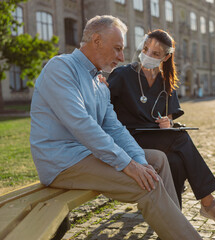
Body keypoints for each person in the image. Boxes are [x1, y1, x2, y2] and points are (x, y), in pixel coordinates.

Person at [30, 15, 202, 240]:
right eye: (118, 49)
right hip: (62, 163)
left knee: (156, 161)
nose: (122, 57)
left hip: (86, 155)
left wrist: (139, 161)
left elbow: (115, 128)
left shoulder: (99, 83)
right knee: (147, 184)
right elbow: (82, 125)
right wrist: (128, 165)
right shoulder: (61, 68)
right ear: (97, 41)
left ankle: (171, 231)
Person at [107, 29, 215, 227]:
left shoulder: (166, 82)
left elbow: (169, 116)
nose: (148, 56)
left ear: (166, 56)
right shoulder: (122, 75)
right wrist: (101, 84)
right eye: (146, 49)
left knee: (175, 160)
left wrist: (167, 123)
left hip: (156, 138)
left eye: (155, 54)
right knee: (180, 138)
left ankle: (172, 219)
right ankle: (208, 201)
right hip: (129, 137)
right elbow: (102, 105)